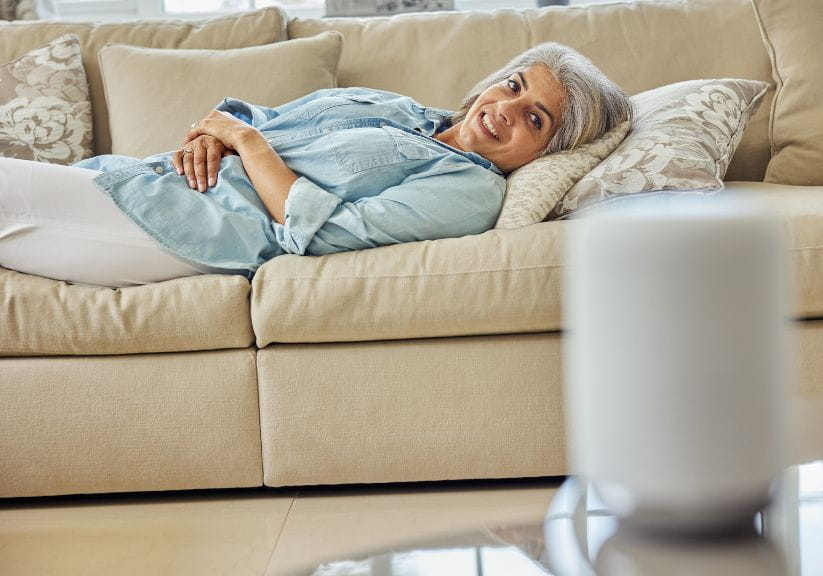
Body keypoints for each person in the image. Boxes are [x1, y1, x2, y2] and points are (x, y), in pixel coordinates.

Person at [0, 42, 632, 288]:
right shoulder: (401, 108)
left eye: (536, 120)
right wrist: (212, 135)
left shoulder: (468, 191)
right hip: (143, 175)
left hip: (187, 228)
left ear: (546, 151)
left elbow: (325, 232)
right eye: (515, 86)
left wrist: (244, 142)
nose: (507, 110)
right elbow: (260, 119)